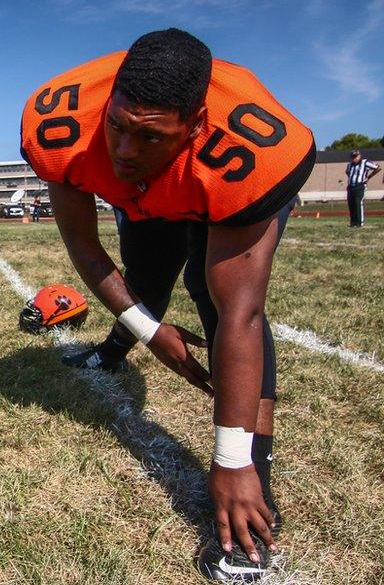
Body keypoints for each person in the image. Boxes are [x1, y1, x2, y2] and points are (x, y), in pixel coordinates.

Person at [20, 28, 315, 581]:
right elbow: (85, 247)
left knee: (215, 296)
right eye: (117, 127)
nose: (126, 151)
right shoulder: (63, 124)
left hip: (210, 181)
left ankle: (257, 481)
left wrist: (230, 461)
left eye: (149, 137)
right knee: (145, 280)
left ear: (196, 125)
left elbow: (242, 316)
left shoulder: (246, 153)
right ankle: (113, 350)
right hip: (154, 196)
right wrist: (154, 336)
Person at [344, 150, 380, 228]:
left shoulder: (365, 162)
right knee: (351, 204)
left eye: (356, 157)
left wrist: (368, 177)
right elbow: (347, 172)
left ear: (359, 156)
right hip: (350, 187)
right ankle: (353, 223)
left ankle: (360, 223)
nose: (354, 159)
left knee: (358, 203)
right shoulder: (350, 165)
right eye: (353, 157)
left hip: (360, 186)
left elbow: (377, 168)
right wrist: (351, 179)